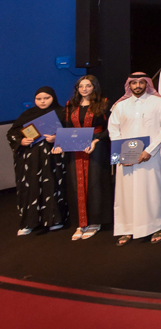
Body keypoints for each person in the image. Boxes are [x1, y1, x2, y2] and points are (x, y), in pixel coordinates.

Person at [109, 72, 161, 244]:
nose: (137, 86)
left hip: (150, 157)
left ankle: (156, 227)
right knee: (126, 194)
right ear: (129, 85)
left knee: (151, 192)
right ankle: (127, 229)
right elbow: (113, 129)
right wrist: (122, 152)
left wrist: (150, 150)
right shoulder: (120, 106)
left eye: (141, 82)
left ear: (147, 84)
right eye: (133, 83)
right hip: (125, 157)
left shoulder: (159, 102)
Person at [8, 87, 67, 236]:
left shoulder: (61, 113)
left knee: (52, 185)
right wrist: (21, 141)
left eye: (46, 98)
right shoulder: (28, 114)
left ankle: (55, 220)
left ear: (53, 98)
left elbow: (71, 133)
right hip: (30, 160)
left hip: (52, 159)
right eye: (39, 99)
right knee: (30, 187)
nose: (42, 102)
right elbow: (12, 133)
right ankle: (29, 222)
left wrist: (57, 138)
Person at [61, 75, 113, 241]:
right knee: (76, 184)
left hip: (97, 146)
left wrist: (97, 140)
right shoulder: (70, 105)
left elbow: (110, 128)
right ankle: (81, 223)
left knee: (95, 183)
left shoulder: (103, 103)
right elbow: (67, 128)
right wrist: (60, 143)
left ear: (94, 87)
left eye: (88, 86)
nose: (84, 89)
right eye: (81, 86)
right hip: (75, 148)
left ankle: (95, 222)